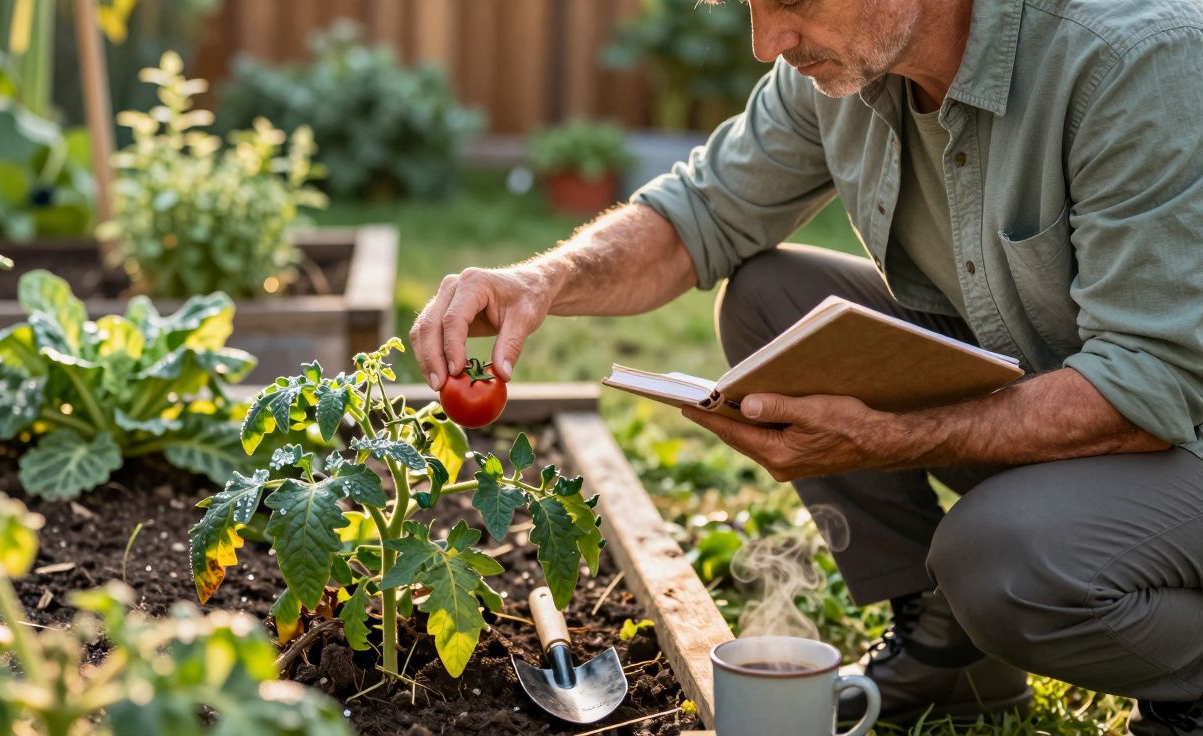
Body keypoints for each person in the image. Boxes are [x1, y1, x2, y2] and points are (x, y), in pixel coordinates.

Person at [410, 0, 1203, 732]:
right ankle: (950, 658)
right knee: (772, 299)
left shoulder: (1133, 60)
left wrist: (883, 436)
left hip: (1175, 430)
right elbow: (700, 212)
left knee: (1001, 561)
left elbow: (1146, 386)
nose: (767, 41)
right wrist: (540, 282)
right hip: (1086, 402)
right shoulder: (842, 69)